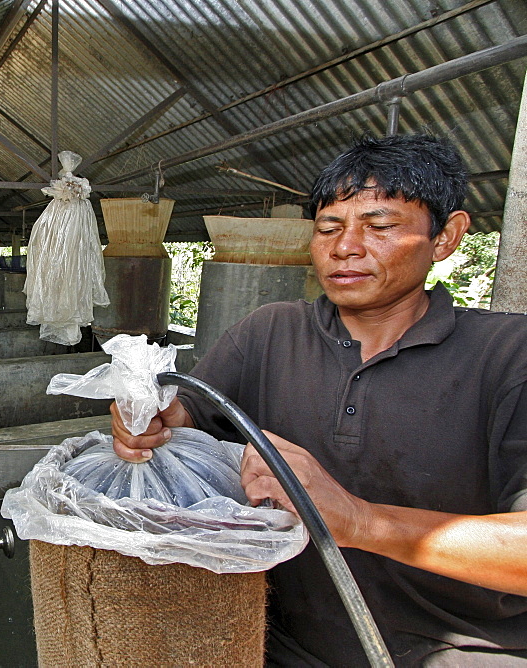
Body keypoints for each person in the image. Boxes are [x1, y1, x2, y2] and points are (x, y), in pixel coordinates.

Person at [112, 134, 527, 665]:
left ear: (446, 237)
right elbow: (184, 417)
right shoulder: (269, 332)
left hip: (461, 651)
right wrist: (146, 417)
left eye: (379, 227)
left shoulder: (507, 355)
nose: (344, 247)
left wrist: (360, 521)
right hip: (281, 645)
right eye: (329, 227)